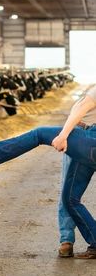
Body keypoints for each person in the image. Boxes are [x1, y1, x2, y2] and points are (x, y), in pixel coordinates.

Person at [0, 86, 96, 259]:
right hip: (88, 141)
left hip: (91, 140)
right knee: (70, 199)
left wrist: (63, 135)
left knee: (40, 133)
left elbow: (82, 107)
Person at [57, 85, 96, 258]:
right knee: (69, 192)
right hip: (81, 131)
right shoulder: (90, 88)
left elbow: (82, 108)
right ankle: (66, 240)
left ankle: (68, 240)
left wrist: (64, 133)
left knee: (69, 193)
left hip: (85, 136)